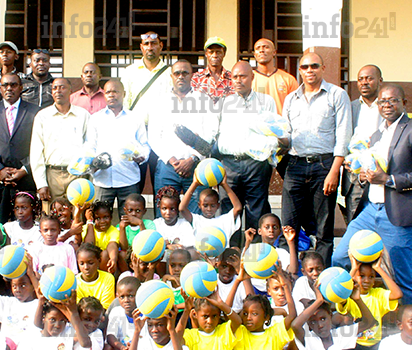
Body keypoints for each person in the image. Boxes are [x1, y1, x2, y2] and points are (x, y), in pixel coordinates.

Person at [332, 84, 412, 303]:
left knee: (404, 275)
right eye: (382, 101)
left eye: (393, 101)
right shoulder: (378, 133)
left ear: (404, 103)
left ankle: (410, 329)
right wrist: (362, 175)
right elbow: (373, 167)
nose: (387, 105)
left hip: (398, 215)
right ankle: (350, 311)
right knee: (340, 257)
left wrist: (388, 180)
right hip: (370, 211)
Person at [281, 52, 352, 267]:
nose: (309, 70)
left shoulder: (337, 95)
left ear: (322, 68)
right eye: (304, 67)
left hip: (324, 166)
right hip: (294, 165)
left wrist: (334, 171)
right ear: (299, 71)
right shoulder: (291, 99)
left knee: (323, 227)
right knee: (289, 222)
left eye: (314, 66)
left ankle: (321, 276)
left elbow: (344, 136)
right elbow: (286, 135)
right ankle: (289, 272)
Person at [216, 61, 282, 246]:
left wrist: (267, 159)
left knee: (256, 211)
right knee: (230, 212)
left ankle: (256, 258)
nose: (238, 80)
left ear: (252, 77)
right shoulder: (225, 102)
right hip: (229, 165)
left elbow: (272, 131)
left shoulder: (266, 101)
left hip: (256, 165)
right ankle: (232, 257)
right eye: (234, 77)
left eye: (243, 76)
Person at [148, 60, 218, 214]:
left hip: (196, 168)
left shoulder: (203, 100)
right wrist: (172, 160)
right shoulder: (160, 102)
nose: (181, 76)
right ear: (171, 76)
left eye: (185, 73)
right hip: (167, 168)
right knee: (164, 215)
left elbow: (211, 133)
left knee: (197, 216)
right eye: (177, 73)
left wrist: (193, 158)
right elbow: (153, 137)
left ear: (192, 75)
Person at [0, 73, 40, 222]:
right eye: (5, 85)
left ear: (21, 88)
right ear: (0, 88)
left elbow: (39, 146)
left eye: (13, 85)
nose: (9, 88)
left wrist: (23, 170)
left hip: (26, 180)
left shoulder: (35, 112)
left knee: (26, 225)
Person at [84, 79, 150, 211]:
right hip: (102, 180)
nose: (112, 95)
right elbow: (90, 146)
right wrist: (91, 164)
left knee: (130, 221)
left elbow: (145, 145)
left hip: (128, 179)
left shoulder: (135, 118)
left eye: (115, 91)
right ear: (104, 95)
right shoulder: (95, 118)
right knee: (100, 221)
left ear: (124, 94)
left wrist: (142, 156)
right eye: (108, 92)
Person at [120, 31, 172, 193]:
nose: (150, 47)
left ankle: (161, 218)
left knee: (162, 181)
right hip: (137, 133)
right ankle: (133, 217)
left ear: (160, 46)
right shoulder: (130, 71)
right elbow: (124, 104)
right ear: (141, 47)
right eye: (147, 44)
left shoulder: (170, 73)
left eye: (154, 43)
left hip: (162, 133)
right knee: (135, 180)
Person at [30, 78, 90, 204]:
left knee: (77, 217)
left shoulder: (83, 115)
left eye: (62, 87)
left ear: (71, 91)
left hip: (77, 176)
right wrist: (41, 184)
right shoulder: (42, 116)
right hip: (52, 176)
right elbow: (36, 152)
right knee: (51, 219)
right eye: (54, 88)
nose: (58, 91)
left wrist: (86, 175)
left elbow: (89, 146)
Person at [340, 65, 383, 223]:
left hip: (380, 172)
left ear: (380, 81)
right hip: (355, 174)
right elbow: (342, 136)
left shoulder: (387, 107)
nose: (364, 82)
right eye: (360, 79)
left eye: (369, 78)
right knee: (356, 221)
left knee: (381, 220)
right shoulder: (350, 107)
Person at [336, 253, 403, 349]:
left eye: (371, 276)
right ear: (354, 277)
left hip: (374, 344)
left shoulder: (378, 294)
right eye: (362, 276)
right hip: (354, 343)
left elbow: (397, 294)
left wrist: (378, 269)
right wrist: (354, 268)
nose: (367, 280)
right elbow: (341, 292)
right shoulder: (349, 295)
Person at [251, 38, 299, 114]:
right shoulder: (249, 79)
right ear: (254, 54)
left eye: (266, 47)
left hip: (281, 125)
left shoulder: (288, 79)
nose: (261, 50)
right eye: (258, 48)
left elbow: (296, 107)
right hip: (257, 125)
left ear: (274, 52)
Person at [191, 37, 234, 103]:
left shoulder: (233, 79)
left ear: (224, 54)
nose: (215, 55)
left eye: (218, 52)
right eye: (211, 52)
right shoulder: (195, 79)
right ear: (206, 54)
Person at [76, 243, 116, 309]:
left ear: (99, 261)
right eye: (81, 264)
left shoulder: (108, 278)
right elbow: (78, 309)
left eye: (90, 263)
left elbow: (106, 307)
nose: (86, 267)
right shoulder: (74, 282)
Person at [106, 277, 142, 350]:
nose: (126, 300)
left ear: (139, 294)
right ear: (117, 296)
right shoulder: (116, 312)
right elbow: (110, 336)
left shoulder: (146, 314)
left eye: (131, 296)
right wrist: (123, 347)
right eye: (122, 297)